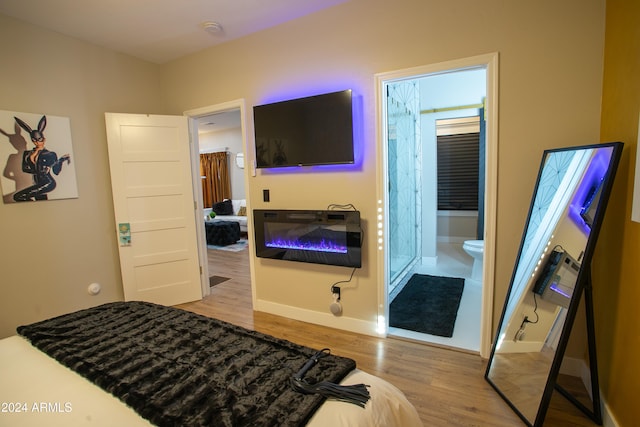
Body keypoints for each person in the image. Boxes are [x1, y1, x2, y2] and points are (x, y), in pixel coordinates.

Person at [12, 115, 70, 201]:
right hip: (36, 182)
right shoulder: (28, 154)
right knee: (41, 202)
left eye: (39, 139)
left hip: (48, 182)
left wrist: (60, 161)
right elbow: (25, 169)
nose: (37, 142)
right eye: (34, 140)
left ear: (44, 139)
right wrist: (35, 160)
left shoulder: (50, 154)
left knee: (18, 196)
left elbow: (56, 171)